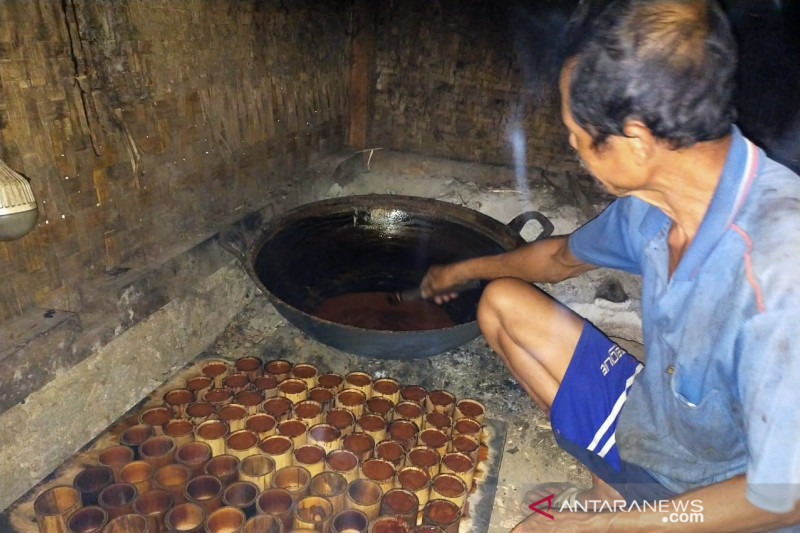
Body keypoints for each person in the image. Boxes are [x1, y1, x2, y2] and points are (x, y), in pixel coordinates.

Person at [420, 0, 800, 531]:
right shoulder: (652, 206)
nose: (574, 150)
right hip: (651, 428)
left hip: (717, 504)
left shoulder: (779, 275)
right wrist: (462, 271)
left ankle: (621, 512)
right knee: (502, 302)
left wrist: (600, 528)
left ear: (637, 141)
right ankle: (611, 491)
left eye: (578, 138)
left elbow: (782, 497)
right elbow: (555, 257)